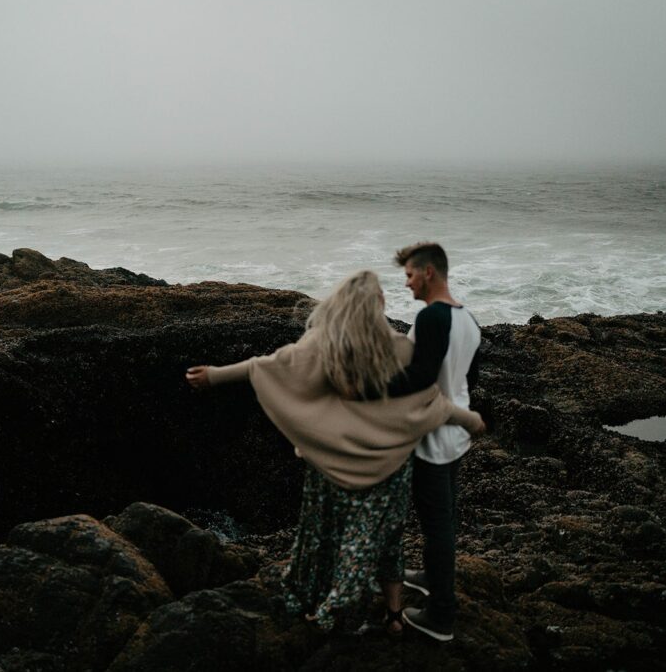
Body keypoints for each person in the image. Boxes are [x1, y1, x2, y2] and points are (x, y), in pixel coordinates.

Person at [185, 270, 484, 633]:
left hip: (330, 466)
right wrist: (469, 420)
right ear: (380, 305)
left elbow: (266, 366)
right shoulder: (401, 349)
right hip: (388, 470)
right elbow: (428, 404)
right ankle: (391, 616)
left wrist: (214, 375)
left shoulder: (321, 344)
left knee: (325, 536)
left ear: (340, 303)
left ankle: (325, 605)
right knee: (382, 542)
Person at [381, 242, 481, 643]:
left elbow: (419, 377)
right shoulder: (468, 319)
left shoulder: (431, 318)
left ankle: (441, 614)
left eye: (408, 275)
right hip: (456, 431)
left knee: (436, 522)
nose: (406, 284)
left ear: (427, 272)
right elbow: (468, 382)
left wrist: (370, 389)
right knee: (443, 515)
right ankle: (429, 575)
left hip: (433, 437)